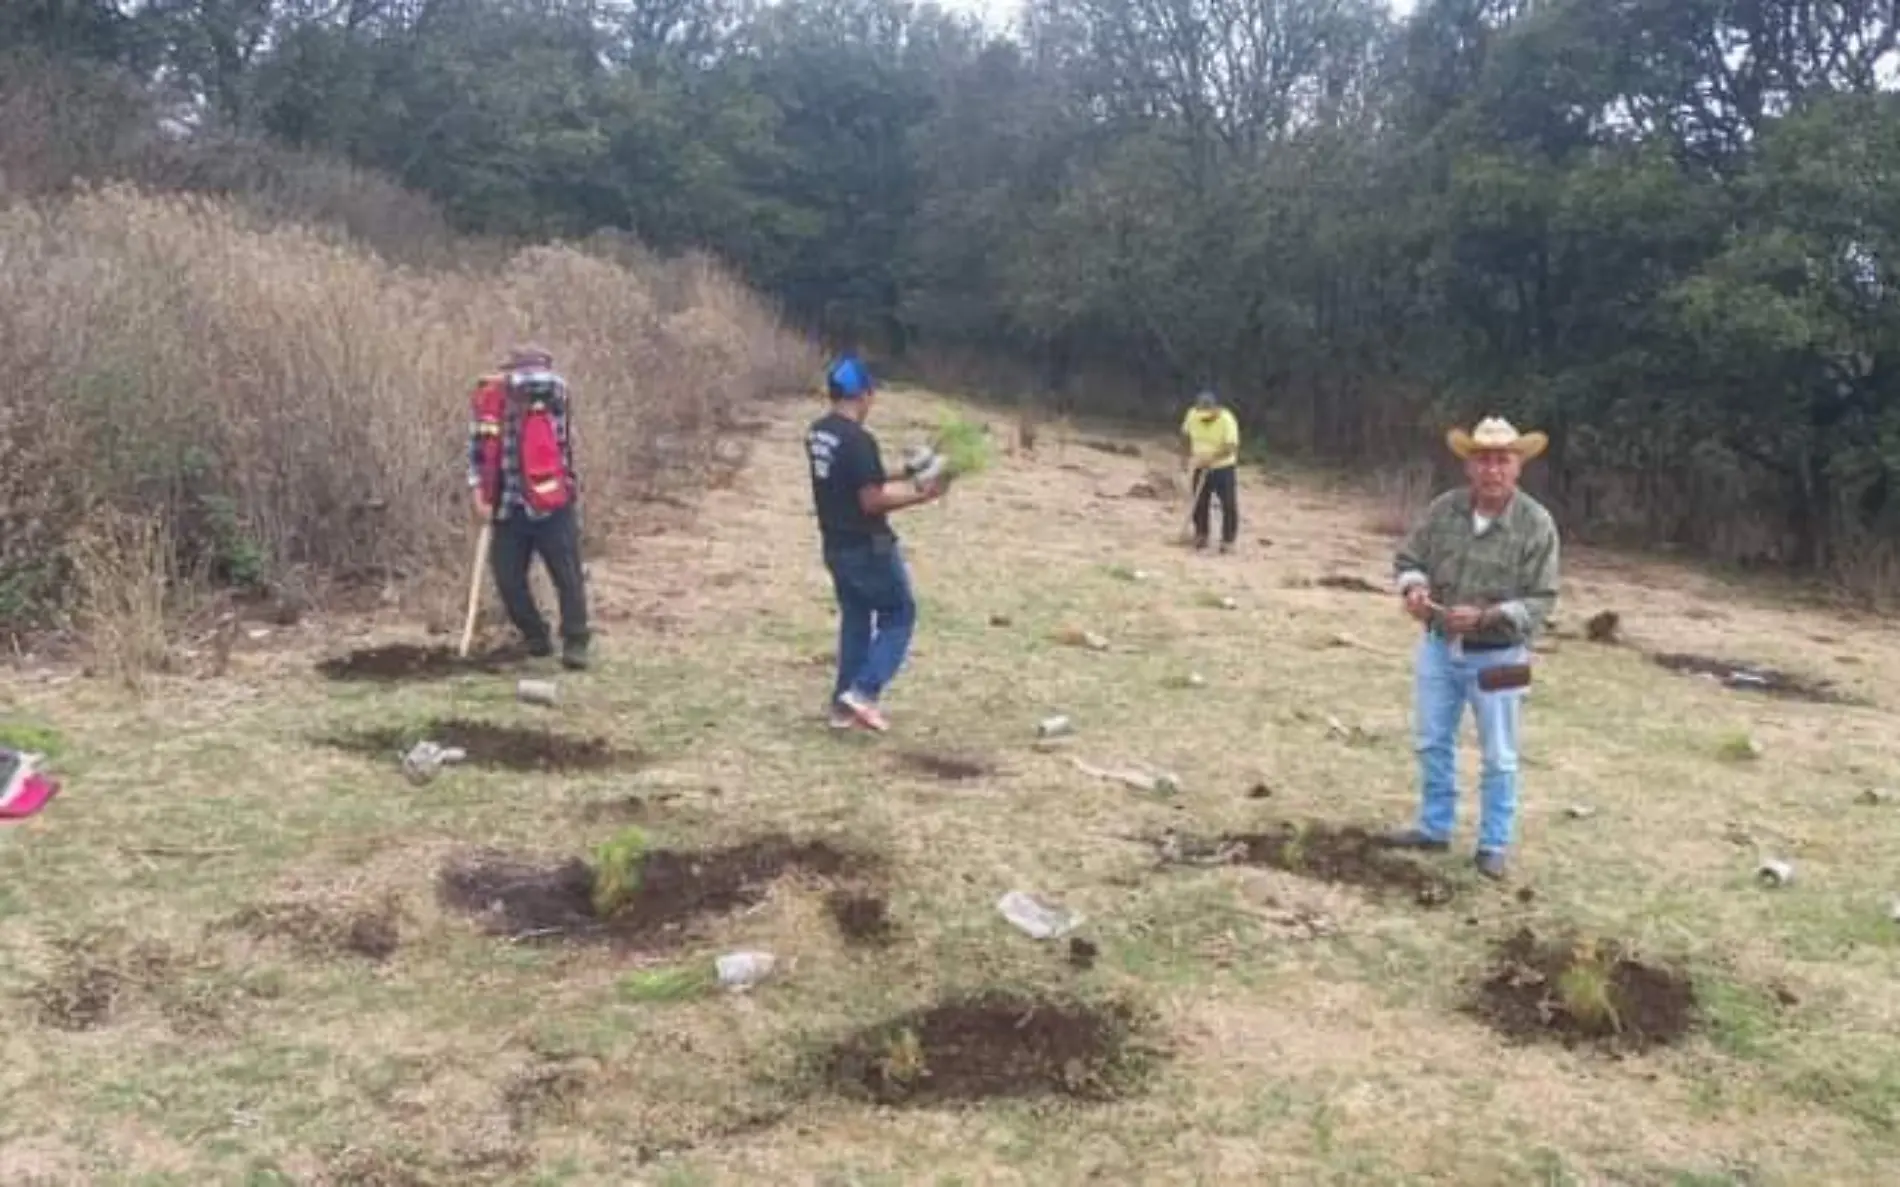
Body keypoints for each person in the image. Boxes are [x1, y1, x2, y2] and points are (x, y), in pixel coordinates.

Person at [1383, 417, 1560, 880]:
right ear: (1469, 466)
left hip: (1504, 657)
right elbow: (1409, 560)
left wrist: (1488, 616)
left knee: (1500, 753)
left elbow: (1543, 601)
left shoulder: (1537, 524)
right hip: (1440, 647)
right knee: (1430, 740)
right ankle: (1433, 827)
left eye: (1502, 460)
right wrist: (1414, 591)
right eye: (1482, 460)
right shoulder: (1444, 510)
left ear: (1518, 466)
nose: (1492, 470)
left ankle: (1494, 843)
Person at [806, 352, 947, 732]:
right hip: (869, 547)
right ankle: (865, 692)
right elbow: (870, 500)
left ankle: (841, 707)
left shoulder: (820, 432)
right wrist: (924, 495)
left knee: (855, 620)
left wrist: (906, 472)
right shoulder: (859, 440)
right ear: (864, 394)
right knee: (899, 614)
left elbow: (856, 478)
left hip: (835, 546)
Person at [468, 344, 592, 670]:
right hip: (507, 507)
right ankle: (537, 638)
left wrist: (504, 380)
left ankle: (576, 641)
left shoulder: (553, 393)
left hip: (552, 504)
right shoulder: (490, 403)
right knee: (508, 578)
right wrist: (478, 491)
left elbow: (541, 383)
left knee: (567, 576)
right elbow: (477, 450)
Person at [1180, 389, 1240, 552]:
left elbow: (1231, 447)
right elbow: (1185, 435)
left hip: (1223, 468)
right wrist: (1186, 457)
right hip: (1200, 465)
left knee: (1228, 504)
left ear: (1215, 409)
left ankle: (1228, 541)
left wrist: (1212, 458)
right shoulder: (1192, 415)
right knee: (1199, 502)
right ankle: (1201, 534)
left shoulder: (1227, 420)